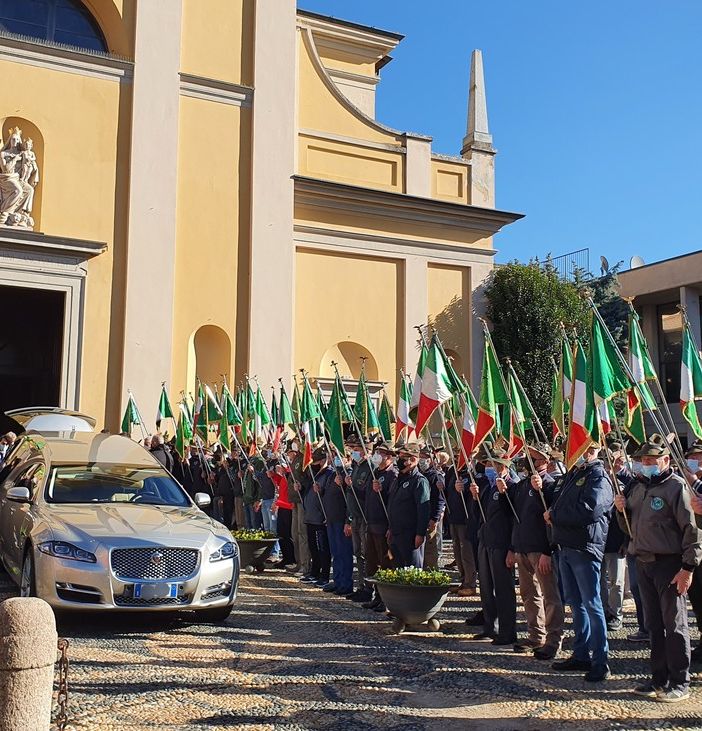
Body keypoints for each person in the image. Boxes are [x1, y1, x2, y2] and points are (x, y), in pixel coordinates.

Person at [615, 434, 702, 702]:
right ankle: (658, 677)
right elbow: (629, 528)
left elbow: (692, 531)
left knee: (674, 625)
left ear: (665, 460)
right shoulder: (637, 487)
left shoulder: (676, 487)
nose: (647, 464)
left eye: (652, 460)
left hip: (670, 564)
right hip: (643, 562)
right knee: (653, 625)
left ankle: (680, 681)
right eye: (643, 460)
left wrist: (688, 568)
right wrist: (620, 510)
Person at [547, 442, 614, 683]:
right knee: (576, 604)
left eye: (590, 449)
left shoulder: (598, 477)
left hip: (585, 547)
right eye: (581, 447)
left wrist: (554, 516)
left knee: (592, 605)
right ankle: (581, 653)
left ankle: (600, 661)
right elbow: (559, 501)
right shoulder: (574, 474)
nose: (584, 453)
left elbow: (589, 510)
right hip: (566, 545)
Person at [507, 444, 564, 660]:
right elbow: (513, 516)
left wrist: (548, 550)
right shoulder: (522, 485)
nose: (531, 463)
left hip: (541, 549)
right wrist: (513, 547)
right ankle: (535, 635)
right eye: (529, 458)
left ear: (546, 462)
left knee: (550, 596)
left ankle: (553, 639)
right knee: (529, 594)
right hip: (522, 547)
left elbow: (552, 520)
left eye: (536, 459)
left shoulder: (551, 485)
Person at [469, 449, 517, 646]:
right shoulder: (488, 487)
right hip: (486, 540)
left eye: (492, 464)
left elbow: (514, 519)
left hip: (501, 544)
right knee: (486, 588)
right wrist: (475, 498)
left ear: (503, 466)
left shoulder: (511, 487)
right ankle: (490, 627)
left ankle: (507, 632)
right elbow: (479, 515)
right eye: (488, 464)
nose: (488, 468)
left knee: (503, 590)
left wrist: (512, 548)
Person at [362, 441, 396, 612]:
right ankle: (376, 596)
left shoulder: (392, 475)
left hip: (383, 525)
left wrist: (381, 490)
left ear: (389, 456)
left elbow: (393, 501)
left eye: (381, 453)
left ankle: (386, 599)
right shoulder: (375, 472)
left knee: (386, 563)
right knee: (372, 562)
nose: (377, 455)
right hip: (372, 523)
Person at [387, 443, 430, 569]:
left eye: (403, 458)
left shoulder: (419, 481)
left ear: (413, 459)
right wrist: (390, 528)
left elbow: (423, 509)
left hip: (410, 535)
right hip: (396, 533)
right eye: (399, 457)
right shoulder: (399, 479)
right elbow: (393, 504)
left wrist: (420, 534)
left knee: (412, 570)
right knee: (397, 569)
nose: (399, 460)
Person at [322, 450, 354, 596]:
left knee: (344, 553)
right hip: (332, 519)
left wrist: (349, 521)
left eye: (339, 455)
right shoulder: (333, 473)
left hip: (342, 520)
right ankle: (337, 580)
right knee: (336, 553)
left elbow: (351, 500)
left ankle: (345, 584)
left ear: (347, 458)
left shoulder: (348, 473)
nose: (335, 458)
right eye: (334, 455)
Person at [345, 437, 373, 602]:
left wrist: (353, 487)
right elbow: (350, 496)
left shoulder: (370, 468)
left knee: (367, 554)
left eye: (357, 449)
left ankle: (369, 588)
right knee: (358, 554)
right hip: (354, 516)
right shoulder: (356, 466)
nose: (354, 452)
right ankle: (361, 586)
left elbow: (367, 494)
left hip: (365, 517)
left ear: (366, 451)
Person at [444, 459, 476, 596]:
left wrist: (463, 491)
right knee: (457, 552)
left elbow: (475, 497)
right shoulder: (452, 471)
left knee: (466, 552)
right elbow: (448, 491)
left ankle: (470, 583)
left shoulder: (472, 473)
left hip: (465, 519)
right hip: (453, 517)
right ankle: (463, 580)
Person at [301, 447, 332, 587]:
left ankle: (324, 575)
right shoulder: (315, 474)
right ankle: (314, 572)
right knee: (313, 547)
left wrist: (321, 491)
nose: (314, 465)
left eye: (317, 462)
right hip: (310, 516)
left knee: (322, 548)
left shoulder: (329, 474)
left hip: (320, 517)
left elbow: (330, 496)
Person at [419, 446, 446, 571]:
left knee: (430, 548)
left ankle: (431, 573)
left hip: (430, 517)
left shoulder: (435, 476)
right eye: (420, 457)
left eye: (425, 457)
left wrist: (435, 518)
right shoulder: (421, 474)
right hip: (421, 516)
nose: (422, 460)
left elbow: (440, 498)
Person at [271, 461, 295, 567]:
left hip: (289, 507)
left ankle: (291, 558)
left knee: (288, 534)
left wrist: (285, 471)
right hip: (282, 505)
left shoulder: (291, 471)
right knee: (281, 534)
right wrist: (274, 476)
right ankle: (286, 558)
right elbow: (281, 483)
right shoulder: (286, 473)